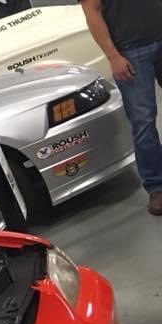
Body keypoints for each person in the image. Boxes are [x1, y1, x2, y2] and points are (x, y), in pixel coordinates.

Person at [80, 0, 162, 214]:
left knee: (143, 120)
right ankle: (157, 187)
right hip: (131, 51)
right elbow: (92, 11)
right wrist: (113, 56)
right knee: (143, 121)